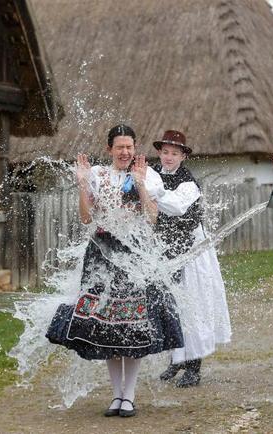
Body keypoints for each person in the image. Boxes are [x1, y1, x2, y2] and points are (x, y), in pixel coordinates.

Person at [46, 124, 184, 417]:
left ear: (135, 149)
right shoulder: (98, 175)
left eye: (129, 147)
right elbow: (86, 218)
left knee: (132, 329)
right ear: (109, 149)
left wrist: (142, 184)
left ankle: (130, 395)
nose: (125, 152)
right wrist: (83, 183)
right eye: (119, 147)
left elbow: (151, 218)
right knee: (107, 327)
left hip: (133, 256)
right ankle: (116, 395)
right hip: (101, 255)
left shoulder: (148, 175)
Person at [151, 130, 231, 388]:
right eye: (165, 152)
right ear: (159, 153)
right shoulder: (154, 174)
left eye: (175, 153)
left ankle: (194, 366)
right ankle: (176, 359)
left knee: (192, 304)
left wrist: (152, 191)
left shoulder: (188, 183)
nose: (169, 157)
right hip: (165, 249)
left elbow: (175, 206)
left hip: (192, 250)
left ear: (183, 156)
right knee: (170, 303)